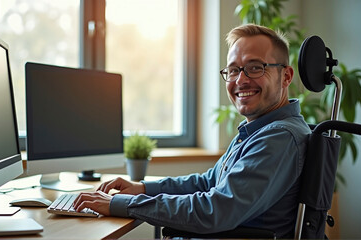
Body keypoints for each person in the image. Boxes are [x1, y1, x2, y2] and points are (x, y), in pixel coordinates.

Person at [73, 24, 311, 238]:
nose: (241, 80)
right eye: (233, 70)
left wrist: (123, 203)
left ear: (286, 76)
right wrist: (143, 188)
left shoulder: (279, 138)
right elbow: (208, 182)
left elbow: (215, 210)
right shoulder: (260, 129)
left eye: (255, 67)